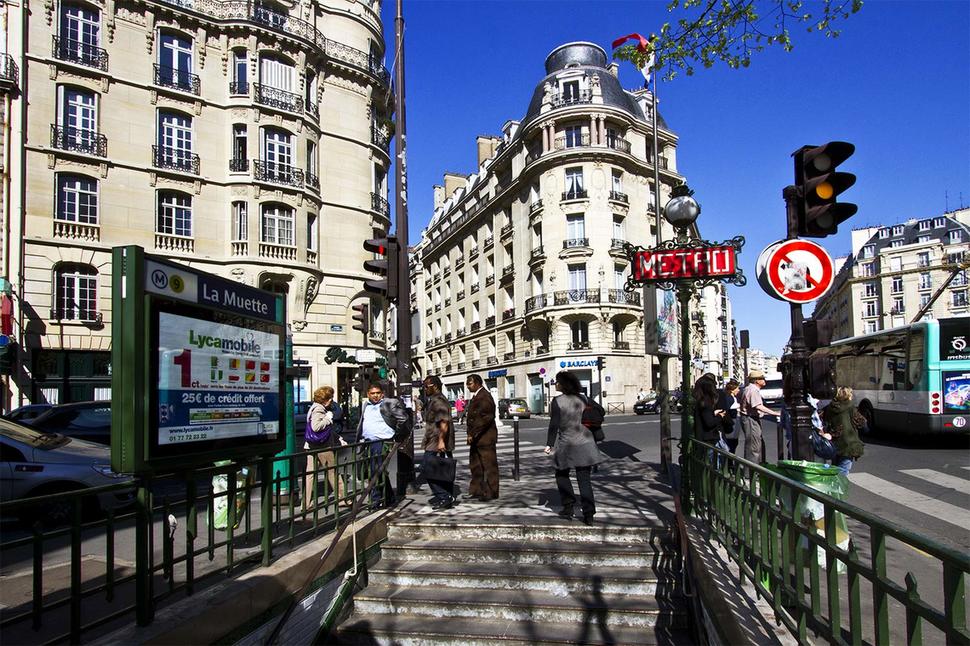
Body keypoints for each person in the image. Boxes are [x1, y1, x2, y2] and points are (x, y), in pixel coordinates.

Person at [543, 370, 606, 525]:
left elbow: (554, 424)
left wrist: (549, 444)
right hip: (586, 443)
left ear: (562, 384)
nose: (555, 384)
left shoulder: (557, 401)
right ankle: (589, 515)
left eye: (557, 381)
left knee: (561, 474)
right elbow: (601, 411)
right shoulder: (583, 398)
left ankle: (568, 506)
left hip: (567, 444)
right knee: (584, 479)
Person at [303, 386, 346, 508]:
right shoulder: (319, 409)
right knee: (333, 472)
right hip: (323, 446)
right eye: (331, 397)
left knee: (310, 475)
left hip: (311, 446)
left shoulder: (313, 408)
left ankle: (306, 504)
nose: (332, 400)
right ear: (327, 399)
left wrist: (338, 439)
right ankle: (342, 498)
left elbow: (326, 431)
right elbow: (316, 427)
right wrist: (328, 418)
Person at [355, 382, 396, 506]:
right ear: (368, 394)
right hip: (368, 441)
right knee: (377, 469)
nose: (375, 395)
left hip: (382, 441)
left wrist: (395, 435)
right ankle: (389, 496)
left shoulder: (388, 404)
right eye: (372, 393)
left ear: (382, 394)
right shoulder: (365, 405)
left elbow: (402, 419)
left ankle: (375, 499)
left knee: (375, 470)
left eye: (378, 393)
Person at [422, 375, 456, 510]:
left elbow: (444, 422)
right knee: (442, 469)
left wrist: (441, 441)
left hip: (436, 441)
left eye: (426, 386)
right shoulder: (434, 400)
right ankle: (447, 496)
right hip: (435, 440)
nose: (424, 389)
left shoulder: (438, 401)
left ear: (435, 386)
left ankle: (444, 496)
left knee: (427, 467)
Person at [465, 373, 499, 501]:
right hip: (477, 438)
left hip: (485, 437)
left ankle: (491, 492)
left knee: (489, 466)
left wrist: (472, 433)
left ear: (478, 383)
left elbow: (486, 418)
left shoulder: (485, 396)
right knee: (476, 465)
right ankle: (476, 490)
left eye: (470, 383)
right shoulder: (477, 396)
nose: (467, 386)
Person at [820, 386, 865, 475]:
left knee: (835, 468)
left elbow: (824, 420)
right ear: (848, 395)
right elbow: (861, 422)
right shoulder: (850, 407)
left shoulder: (830, 407)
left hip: (834, 442)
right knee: (844, 470)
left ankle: (834, 482)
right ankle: (839, 483)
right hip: (848, 444)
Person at [738, 370, 779, 464]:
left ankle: (754, 467)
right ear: (757, 380)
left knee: (755, 444)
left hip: (750, 418)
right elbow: (758, 406)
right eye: (762, 378)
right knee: (753, 446)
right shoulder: (753, 390)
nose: (764, 380)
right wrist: (774, 413)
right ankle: (751, 470)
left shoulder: (748, 389)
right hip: (750, 419)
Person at [693, 377, 726, 444]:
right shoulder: (706, 402)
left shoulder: (699, 400)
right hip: (708, 439)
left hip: (701, 437)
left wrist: (713, 413)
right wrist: (720, 416)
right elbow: (709, 423)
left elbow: (704, 416)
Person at [717, 379, 742, 455]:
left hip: (735, 422)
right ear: (732, 390)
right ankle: (729, 460)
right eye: (737, 388)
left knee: (734, 442)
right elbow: (726, 410)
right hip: (731, 422)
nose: (738, 390)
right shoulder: (729, 398)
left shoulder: (733, 397)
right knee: (731, 443)